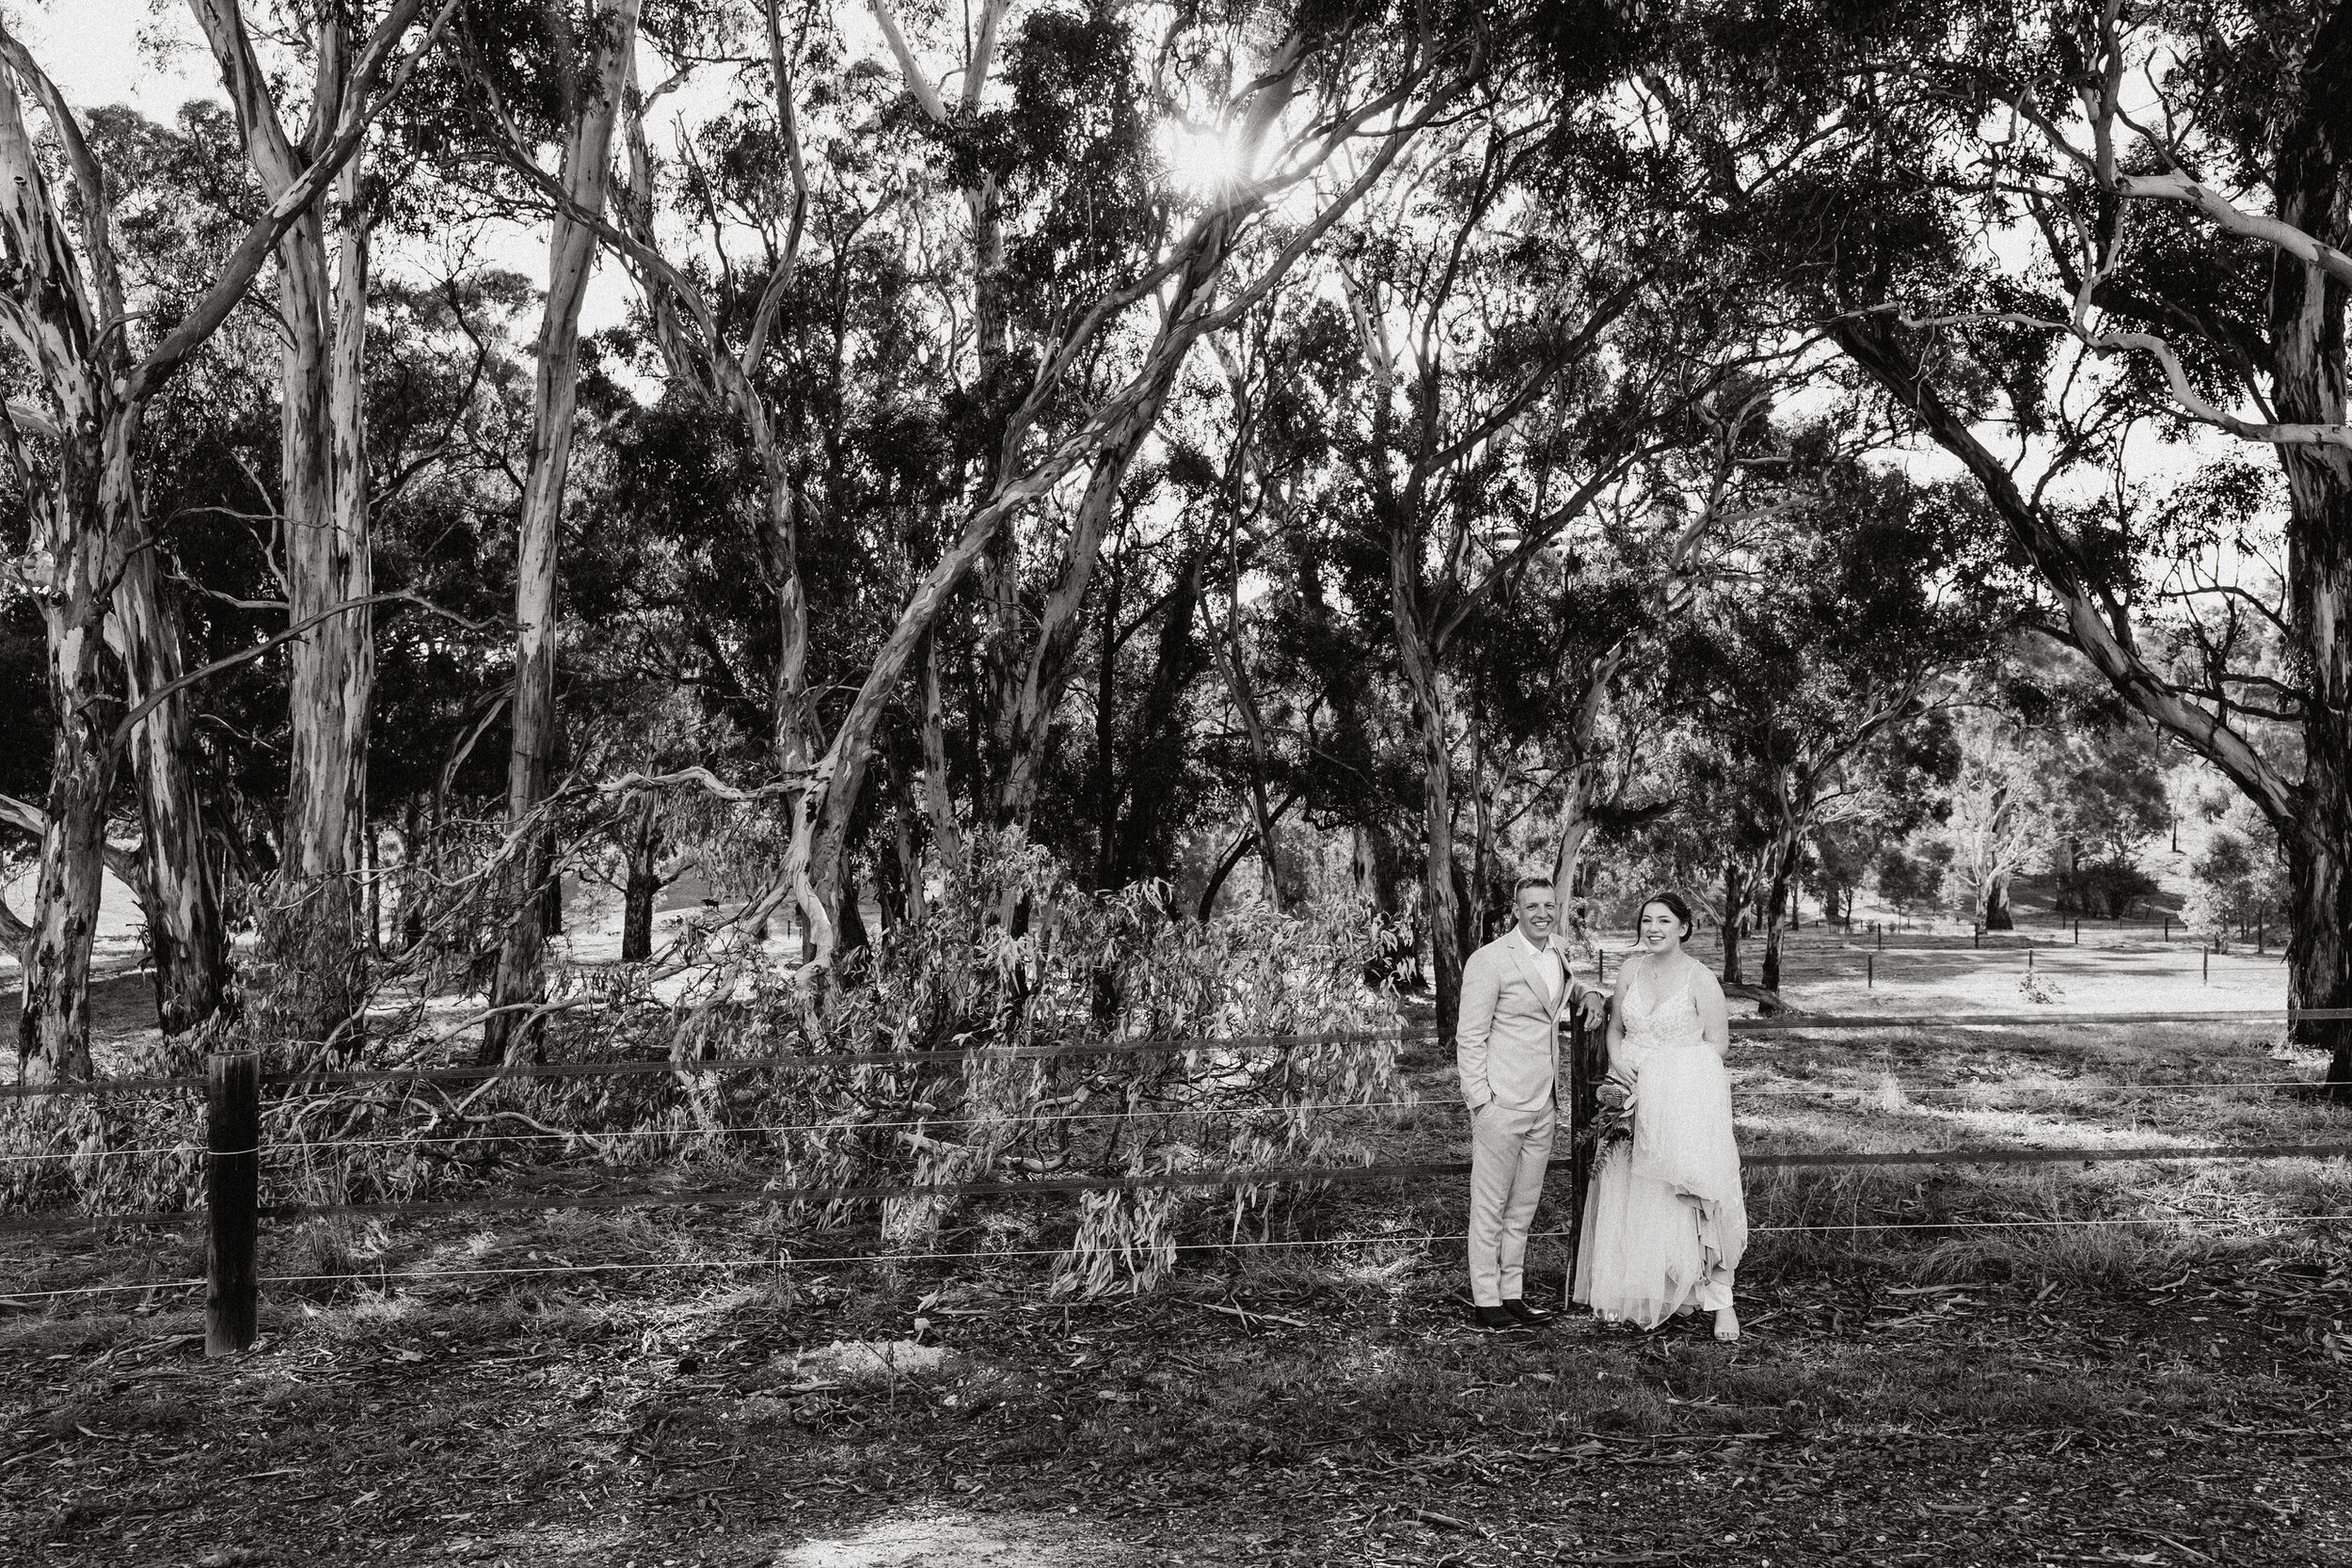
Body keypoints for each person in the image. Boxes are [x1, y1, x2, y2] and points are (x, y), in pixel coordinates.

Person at [1573, 891, 1747, 1340]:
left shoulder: (1700, 978)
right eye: (1647, 920)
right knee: (1638, 1192)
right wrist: (1619, 1061)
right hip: (1631, 1094)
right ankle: (1645, 1289)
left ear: (1683, 928)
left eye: (1664, 921)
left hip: (1683, 1098)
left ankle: (1720, 1300)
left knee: (1694, 1191)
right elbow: (1615, 1029)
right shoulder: (1630, 970)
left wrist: (1664, 1074)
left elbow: (1719, 1045)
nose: (1653, 928)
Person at [1455, 875, 1602, 1330]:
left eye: (1549, 905)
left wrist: (1591, 993)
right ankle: (1485, 1300)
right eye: (1531, 906)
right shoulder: (1490, 960)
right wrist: (1480, 1101)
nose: (1542, 913)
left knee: (1522, 1207)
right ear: (1515, 910)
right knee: (1490, 1205)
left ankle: (1512, 1294)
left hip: (1544, 1104)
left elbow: (1564, 989)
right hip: (1501, 1102)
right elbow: (1470, 1036)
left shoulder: (1556, 952)